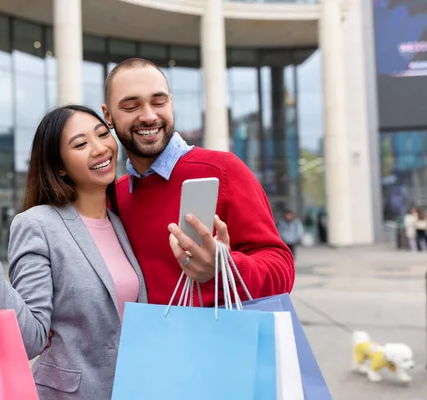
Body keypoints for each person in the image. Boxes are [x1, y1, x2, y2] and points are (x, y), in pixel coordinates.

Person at [0, 105, 148, 400]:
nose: (99, 148)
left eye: (103, 134)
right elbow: (29, 339)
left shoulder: (118, 222)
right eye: (80, 144)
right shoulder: (38, 224)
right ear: (60, 166)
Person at [101, 58, 295, 306]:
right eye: (131, 107)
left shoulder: (224, 171)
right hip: (145, 343)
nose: (149, 116)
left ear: (171, 103)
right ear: (108, 115)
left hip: (219, 340)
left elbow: (283, 272)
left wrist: (225, 268)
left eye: (158, 102)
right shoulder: (114, 198)